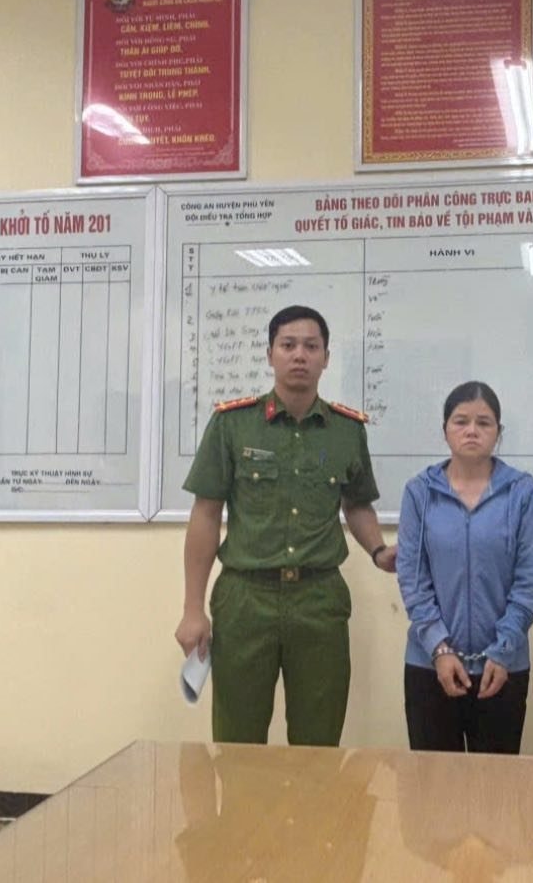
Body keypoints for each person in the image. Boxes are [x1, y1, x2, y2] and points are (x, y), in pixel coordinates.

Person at [174, 305, 397, 746]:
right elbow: (205, 514)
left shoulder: (347, 431)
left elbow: (357, 504)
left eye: (311, 346)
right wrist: (193, 608)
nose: (299, 355)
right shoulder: (232, 424)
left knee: (318, 744)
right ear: (270, 354)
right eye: (288, 345)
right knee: (238, 742)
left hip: (319, 600)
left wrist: (378, 551)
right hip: (245, 599)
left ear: (326, 358)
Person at [395, 381, 533, 754]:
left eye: (484, 422)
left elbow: (530, 583)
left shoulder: (522, 492)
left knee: (494, 782)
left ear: (498, 432)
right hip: (429, 666)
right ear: (445, 430)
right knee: (433, 780)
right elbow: (413, 580)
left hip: (501, 668)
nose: (472, 431)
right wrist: (439, 649)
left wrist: (503, 649)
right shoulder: (419, 492)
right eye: (461, 421)